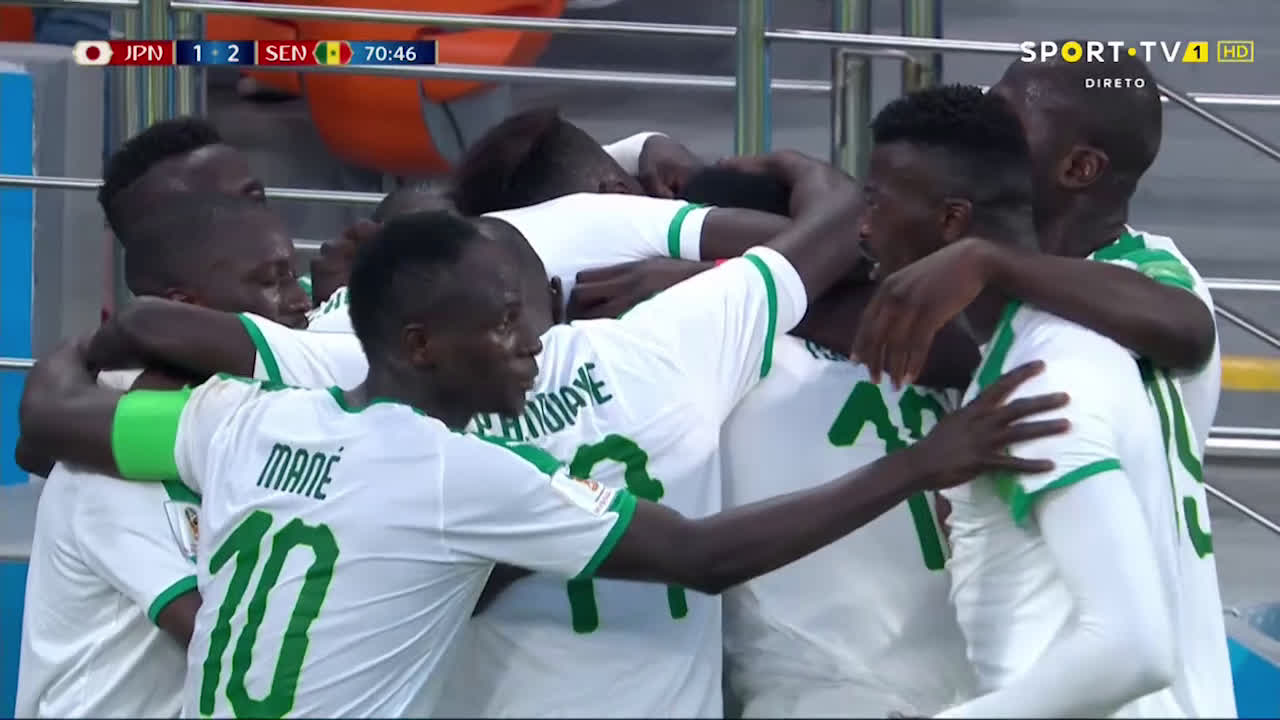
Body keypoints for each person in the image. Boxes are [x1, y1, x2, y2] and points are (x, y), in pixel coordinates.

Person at [18, 207, 1071, 718]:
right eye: (502, 323)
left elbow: (52, 417)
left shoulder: (244, 423)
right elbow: (701, 557)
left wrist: (94, 351)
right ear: (420, 342)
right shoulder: (455, 478)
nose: (531, 341)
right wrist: (921, 462)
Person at [856, 83, 1233, 718]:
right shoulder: (1061, 328)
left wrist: (985, 260)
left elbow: (1131, 650)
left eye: (1010, 111)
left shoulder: (1049, 372)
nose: (862, 227)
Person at [14, 193, 312, 719]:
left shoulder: (239, 414)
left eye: (294, 275)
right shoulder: (108, 463)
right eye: (272, 280)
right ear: (182, 308)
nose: (299, 300)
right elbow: (220, 641)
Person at [850, 50, 1219, 456]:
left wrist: (987, 260)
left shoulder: (1147, 266)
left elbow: (1190, 333)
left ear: (1079, 168)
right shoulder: (987, 267)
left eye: (1005, 118)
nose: (983, 126)